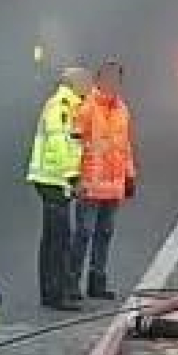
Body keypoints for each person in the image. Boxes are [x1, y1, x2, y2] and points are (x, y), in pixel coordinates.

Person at [72, 59, 136, 301]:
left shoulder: (122, 109)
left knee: (105, 233)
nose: (112, 83)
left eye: (116, 79)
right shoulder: (87, 108)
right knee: (83, 233)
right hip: (90, 184)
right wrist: (75, 178)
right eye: (108, 78)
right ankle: (72, 282)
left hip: (113, 185)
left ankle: (96, 280)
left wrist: (130, 175)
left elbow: (125, 147)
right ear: (99, 80)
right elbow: (74, 145)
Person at [28, 66, 90, 310]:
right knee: (58, 240)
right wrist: (73, 178)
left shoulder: (69, 104)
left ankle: (53, 291)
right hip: (53, 180)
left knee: (54, 239)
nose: (88, 85)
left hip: (53, 179)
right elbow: (59, 146)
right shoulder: (63, 106)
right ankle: (56, 294)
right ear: (74, 83)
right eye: (85, 81)